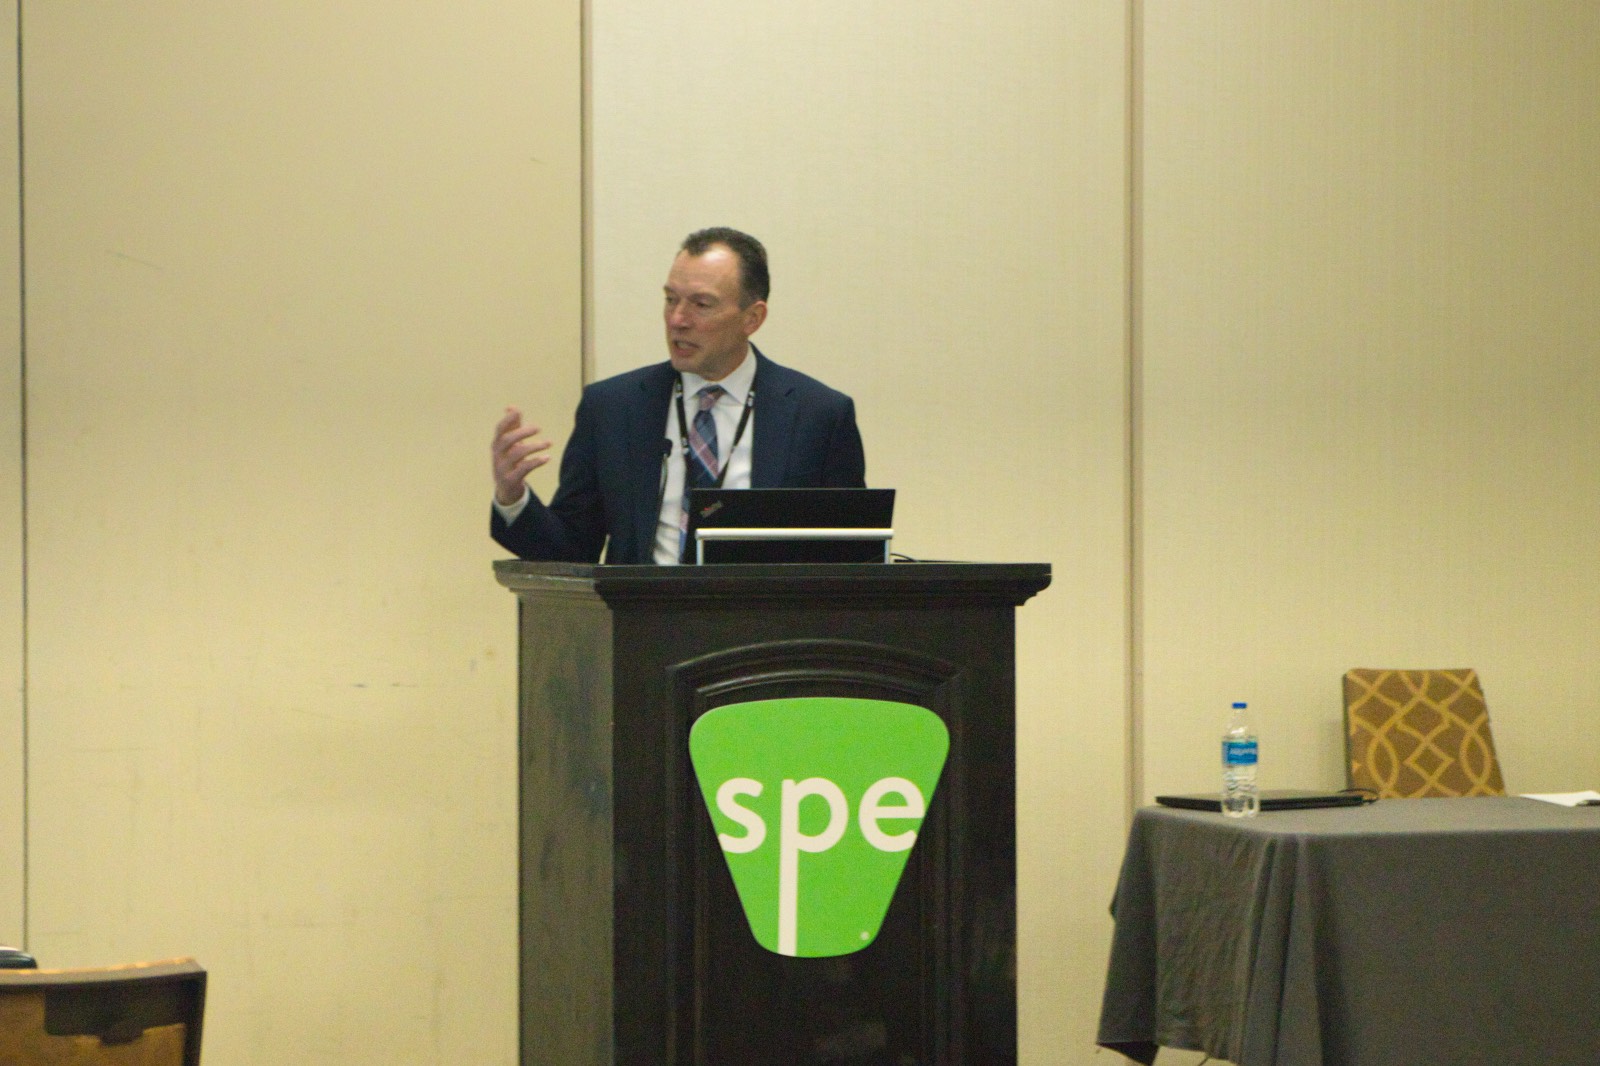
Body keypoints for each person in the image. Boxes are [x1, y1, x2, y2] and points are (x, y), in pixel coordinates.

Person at [491, 227, 866, 564]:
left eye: (701, 304)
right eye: (671, 300)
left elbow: (851, 556)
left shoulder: (819, 415)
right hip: (643, 615)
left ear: (752, 318)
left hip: (762, 616)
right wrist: (513, 498)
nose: (677, 320)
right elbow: (571, 550)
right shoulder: (612, 408)